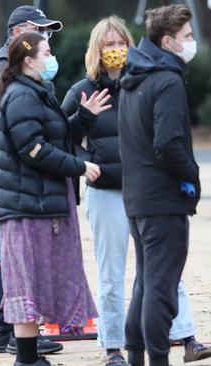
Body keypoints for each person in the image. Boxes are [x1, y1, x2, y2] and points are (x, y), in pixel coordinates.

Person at [62, 15, 211, 366]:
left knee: (159, 274)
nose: (115, 50)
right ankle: (114, 347)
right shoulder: (82, 90)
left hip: (141, 189)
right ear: (96, 50)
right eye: (108, 44)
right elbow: (60, 137)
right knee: (115, 274)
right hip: (110, 191)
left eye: (120, 43)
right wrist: (86, 161)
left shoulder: (135, 82)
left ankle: (186, 335)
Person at [0, 32, 105, 366]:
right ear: (29, 60)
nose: (50, 57)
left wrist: (83, 118)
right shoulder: (22, 96)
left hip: (37, 203)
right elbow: (34, 149)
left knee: (34, 281)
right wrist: (78, 165)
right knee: (26, 282)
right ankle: (26, 359)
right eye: (47, 52)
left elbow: (52, 135)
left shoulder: (36, 91)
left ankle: (29, 358)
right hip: (27, 206)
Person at [118, 5, 201, 366]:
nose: (192, 42)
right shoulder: (166, 80)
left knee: (146, 282)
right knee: (161, 288)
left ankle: (137, 353)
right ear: (167, 42)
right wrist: (192, 176)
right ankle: (158, 358)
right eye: (187, 37)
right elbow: (168, 143)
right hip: (162, 199)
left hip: (137, 197)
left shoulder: (133, 75)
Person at [0, 5, 65, 356]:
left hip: (13, 168)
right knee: (16, 252)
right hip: (10, 168)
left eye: (47, 33)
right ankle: (13, 330)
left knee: (15, 251)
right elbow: (0, 124)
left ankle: (9, 329)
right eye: (39, 32)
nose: (46, 39)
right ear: (18, 33)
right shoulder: (3, 67)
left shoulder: (17, 68)